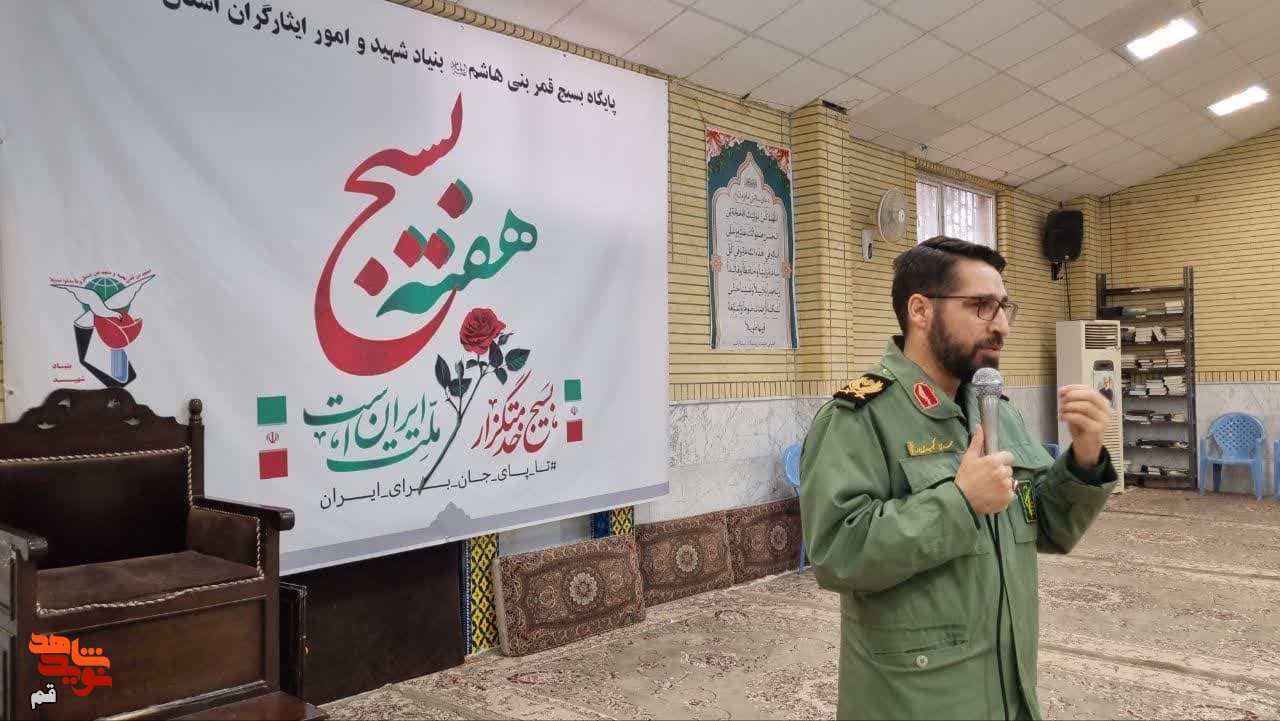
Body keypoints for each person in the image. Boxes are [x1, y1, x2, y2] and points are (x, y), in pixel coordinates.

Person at [799, 236, 1117, 720]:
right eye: (981, 306)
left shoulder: (996, 412)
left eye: (1005, 307)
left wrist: (1085, 456)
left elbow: (1049, 526)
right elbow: (836, 553)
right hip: (916, 700)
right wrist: (959, 503)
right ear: (921, 310)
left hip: (1007, 688)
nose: (1002, 325)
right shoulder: (858, 417)